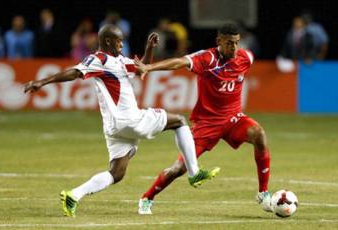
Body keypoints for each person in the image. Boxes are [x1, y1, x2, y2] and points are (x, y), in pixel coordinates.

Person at [23, 25, 220, 217]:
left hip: (114, 127)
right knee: (179, 121)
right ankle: (194, 173)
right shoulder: (98, 58)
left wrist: (149, 49)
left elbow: (142, 68)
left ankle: (74, 195)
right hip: (128, 119)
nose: (122, 43)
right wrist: (42, 82)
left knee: (116, 173)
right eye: (119, 40)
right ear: (108, 41)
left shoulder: (119, 60)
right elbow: (75, 72)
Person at [134, 23, 272, 215]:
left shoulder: (246, 57)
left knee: (259, 134)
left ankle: (263, 193)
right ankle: (147, 198)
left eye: (237, 43)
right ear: (219, 41)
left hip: (233, 118)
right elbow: (179, 62)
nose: (234, 48)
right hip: (206, 124)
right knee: (179, 168)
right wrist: (149, 67)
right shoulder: (206, 58)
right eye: (229, 43)